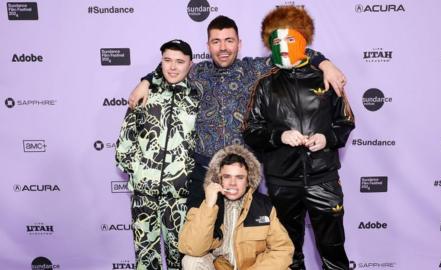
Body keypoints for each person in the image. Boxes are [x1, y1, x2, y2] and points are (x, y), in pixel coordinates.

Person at [128, 15, 348, 211]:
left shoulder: (255, 69)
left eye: (229, 41)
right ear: (208, 45)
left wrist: (326, 64)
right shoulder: (197, 72)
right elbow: (170, 68)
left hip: (244, 173)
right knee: (199, 240)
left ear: (239, 44)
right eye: (216, 41)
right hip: (203, 171)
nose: (223, 48)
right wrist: (146, 82)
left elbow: (296, 51)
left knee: (246, 245)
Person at [242, 6, 355, 270]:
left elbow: (346, 122)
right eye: (277, 40)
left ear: (304, 39)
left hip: (323, 180)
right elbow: (251, 130)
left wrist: (326, 139)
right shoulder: (264, 84)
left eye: (290, 39)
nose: (283, 46)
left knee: (333, 251)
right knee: (287, 254)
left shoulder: (327, 78)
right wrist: (280, 136)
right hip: (283, 184)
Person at [115, 39, 200, 270]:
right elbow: (126, 138)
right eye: (167, 60)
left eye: (180, 62)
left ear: (190, 65)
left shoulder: (197, 98)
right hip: (144, 193)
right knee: (145, 258)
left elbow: (200, 144)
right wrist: (138, 172)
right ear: (161, 62)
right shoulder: (144, 93)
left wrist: (187, 177)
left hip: (179, 196)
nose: (173, 67)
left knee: (179, 258)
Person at [178, 144, 294, 270]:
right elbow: (193, 248)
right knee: (191, 261)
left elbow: (282, 249)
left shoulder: (264, 206)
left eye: (239, 177)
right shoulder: (204, 203)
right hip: (219, 266)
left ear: (248, 180)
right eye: (227, 177)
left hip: (252, 267)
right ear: (219, 179)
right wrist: (209, 206)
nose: (232, 183)